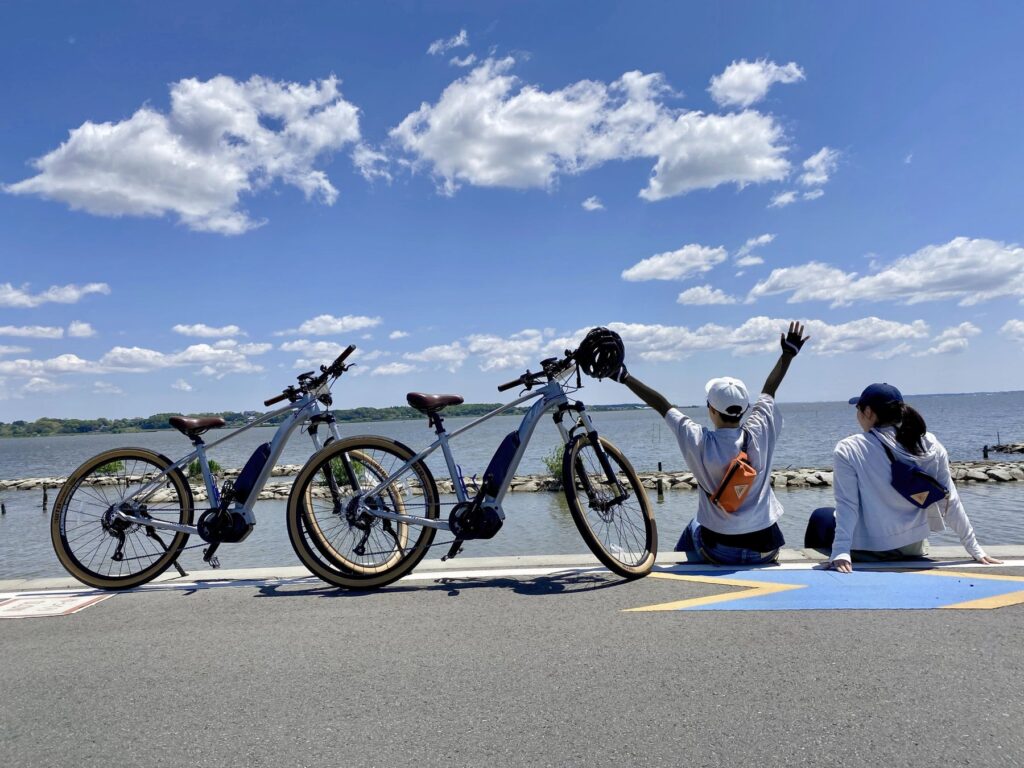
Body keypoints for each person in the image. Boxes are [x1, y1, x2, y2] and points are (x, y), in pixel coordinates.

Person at [609, 321, 809, 565]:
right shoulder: (761, 429)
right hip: (766, 550)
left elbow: (662, 406)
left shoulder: (698, 440)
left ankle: (676, 574)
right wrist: (788, 353)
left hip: (720, 551)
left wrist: (624, 376)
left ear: (711, 410)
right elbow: (769, 390)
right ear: (745, 409)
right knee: (699, 526)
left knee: (694, 525)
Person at [805, 383, 1002, 572]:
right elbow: (950, 500)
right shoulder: (930, 445)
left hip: (867, 548)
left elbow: (847, 504)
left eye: (858, 409)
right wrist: (973, 547)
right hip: (912, 547)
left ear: (868, 412)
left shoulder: (850, 448)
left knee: (820, 517)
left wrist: (841, 552)